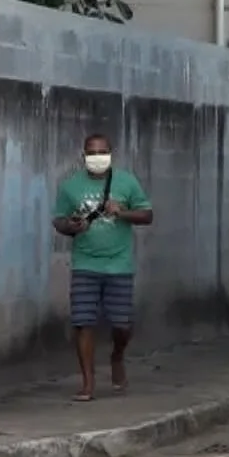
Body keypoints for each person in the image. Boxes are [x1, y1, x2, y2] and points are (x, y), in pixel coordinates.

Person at [51, 133, 153, 401]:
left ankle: (117, 356)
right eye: (92, 153)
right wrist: (71, 226)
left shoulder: (126, 181)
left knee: (122, 325)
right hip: (85, 264)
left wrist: (122, 212)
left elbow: (147, 215)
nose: (98, 158)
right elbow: (59, 220)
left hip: (119, 265)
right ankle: (88, 383)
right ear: (84, 156)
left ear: (111, 153)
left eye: (102, 152)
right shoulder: (70, 186)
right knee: (84, 322)